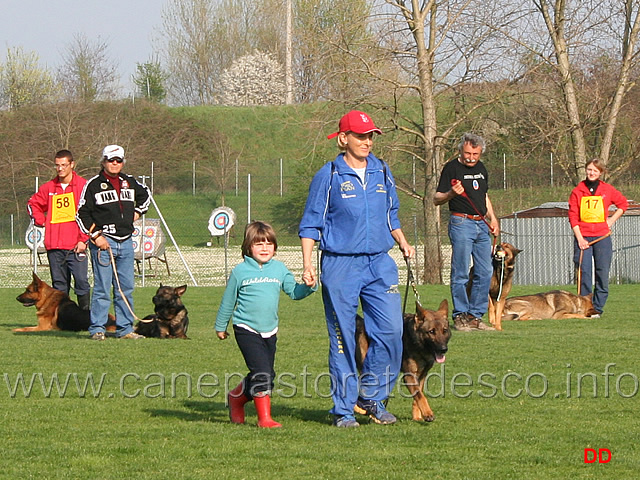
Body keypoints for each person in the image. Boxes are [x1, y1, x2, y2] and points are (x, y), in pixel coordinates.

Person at [299, 110, 415, 428]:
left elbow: (391, 214)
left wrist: (403, 242)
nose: (367, 141)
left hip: (379, 262)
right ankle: (344, 409)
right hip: (340, 264)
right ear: (343, 138)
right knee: (344, 339)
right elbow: (311, 224)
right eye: (360, 135)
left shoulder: (382, 171)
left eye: (370, 136)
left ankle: (371, 397)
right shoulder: (330, 175)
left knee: (392, 332)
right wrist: (308, 264)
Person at [215, 221, 316, 428]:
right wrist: (220, 326)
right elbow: (228, 301)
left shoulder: (279, 269)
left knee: (267, 375)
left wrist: (309, 286)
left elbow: (294, 293)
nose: (264, 248)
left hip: (270, 330)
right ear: (248, 247)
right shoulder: (240, 272)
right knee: (262, 372)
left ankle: (236, 398)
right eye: (259, 244)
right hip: (245, 328)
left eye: (269, 244)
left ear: (275, 247)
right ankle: (265, 419)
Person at [76, 145, 150, 340]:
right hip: (104, 242)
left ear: (123, 162)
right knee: (102, 288)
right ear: (103, 162)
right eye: (111, 160)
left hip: (126, 241)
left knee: (125, 288)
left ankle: (125, 329)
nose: (115, 163)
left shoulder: (129, 182)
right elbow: (81, 213)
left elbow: (146, 196)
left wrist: (137, 212)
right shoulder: (93, 185)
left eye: (118, 160)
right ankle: (98, 329)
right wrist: (95, 236)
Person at [433, 132, 499, 332]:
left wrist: (493, 218)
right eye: (468, 153)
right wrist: (451, 193)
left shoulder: (481, 168)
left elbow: (484, 195)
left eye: (475, 154)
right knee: (461, 272)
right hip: (461, 222)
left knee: (485, 271)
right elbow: (436, 198)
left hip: (481, 225)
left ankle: (475, 316)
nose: (471, 157)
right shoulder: (452, 168)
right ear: (461, 150)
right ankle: (460, 315)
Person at [27, 149, 91, 309]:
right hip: (54, 246)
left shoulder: (84, 186)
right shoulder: (48, 188)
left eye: (63, 165)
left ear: (72, 164)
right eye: (57, 165)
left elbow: (92, 215)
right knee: (59, 285)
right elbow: (32, 204)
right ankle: (63, 319)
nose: (60, 169)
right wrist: (41, 220)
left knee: (82, 282)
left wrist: (84, 239)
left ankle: (85, 316)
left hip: (77, 246)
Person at [568, 158, 627, 318]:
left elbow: (623, 205)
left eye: (595, 170)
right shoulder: (577, 191)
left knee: (602, 272)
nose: (591, 173)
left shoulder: (608, 189)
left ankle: (598, 308)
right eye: (589, 170)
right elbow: (573, 216)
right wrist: (579, 238)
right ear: (585, 171)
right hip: (583, 238)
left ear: (600, 173)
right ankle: (584, 306)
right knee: (584, 272)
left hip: (602, 237)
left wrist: (610, 221)